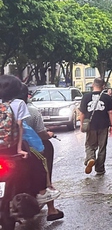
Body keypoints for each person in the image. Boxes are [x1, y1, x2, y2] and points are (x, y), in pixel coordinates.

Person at [0, 75, 59, 206]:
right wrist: (20, 148)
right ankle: (42, 193)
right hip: (12, 147)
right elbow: (21, 126)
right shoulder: (18, 104)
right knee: (40, 161)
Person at [18, 84, 64, 221]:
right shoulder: (31, 111)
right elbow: (41, 135)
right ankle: (51, 208)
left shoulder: (5, 109)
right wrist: (49, 134)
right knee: (45, 164)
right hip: (28, 150)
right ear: (27, 95)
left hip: (8, 150)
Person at [78, 77, 112, 175]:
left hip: (90, 125)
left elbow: (82, 113)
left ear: (93, 85)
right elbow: (110, 113)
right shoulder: (107, 97)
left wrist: (81, 124)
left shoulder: (86, 97)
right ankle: (100, 169)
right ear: (103, 86)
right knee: (102, 147)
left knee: (90, 145)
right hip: (103, 125)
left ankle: (91, 158)